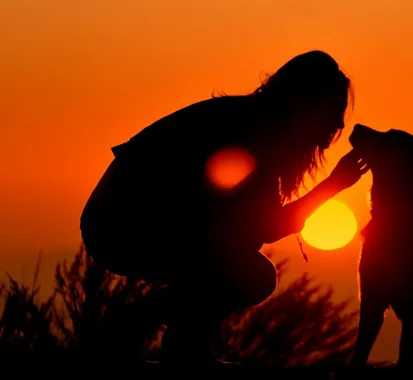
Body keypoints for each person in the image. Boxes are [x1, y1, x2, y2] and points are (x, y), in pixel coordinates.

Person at [79, 50, 369, 367]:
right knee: (250, 274)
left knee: (238, 252)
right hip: (123, 225)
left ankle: (183, 346)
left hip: (127, 220)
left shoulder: (247, 121)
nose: (339, 123)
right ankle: (135, 321)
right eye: (333, 110)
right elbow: (268, 227)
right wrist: (334, 184)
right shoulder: (252, 133)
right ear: (306, 104)